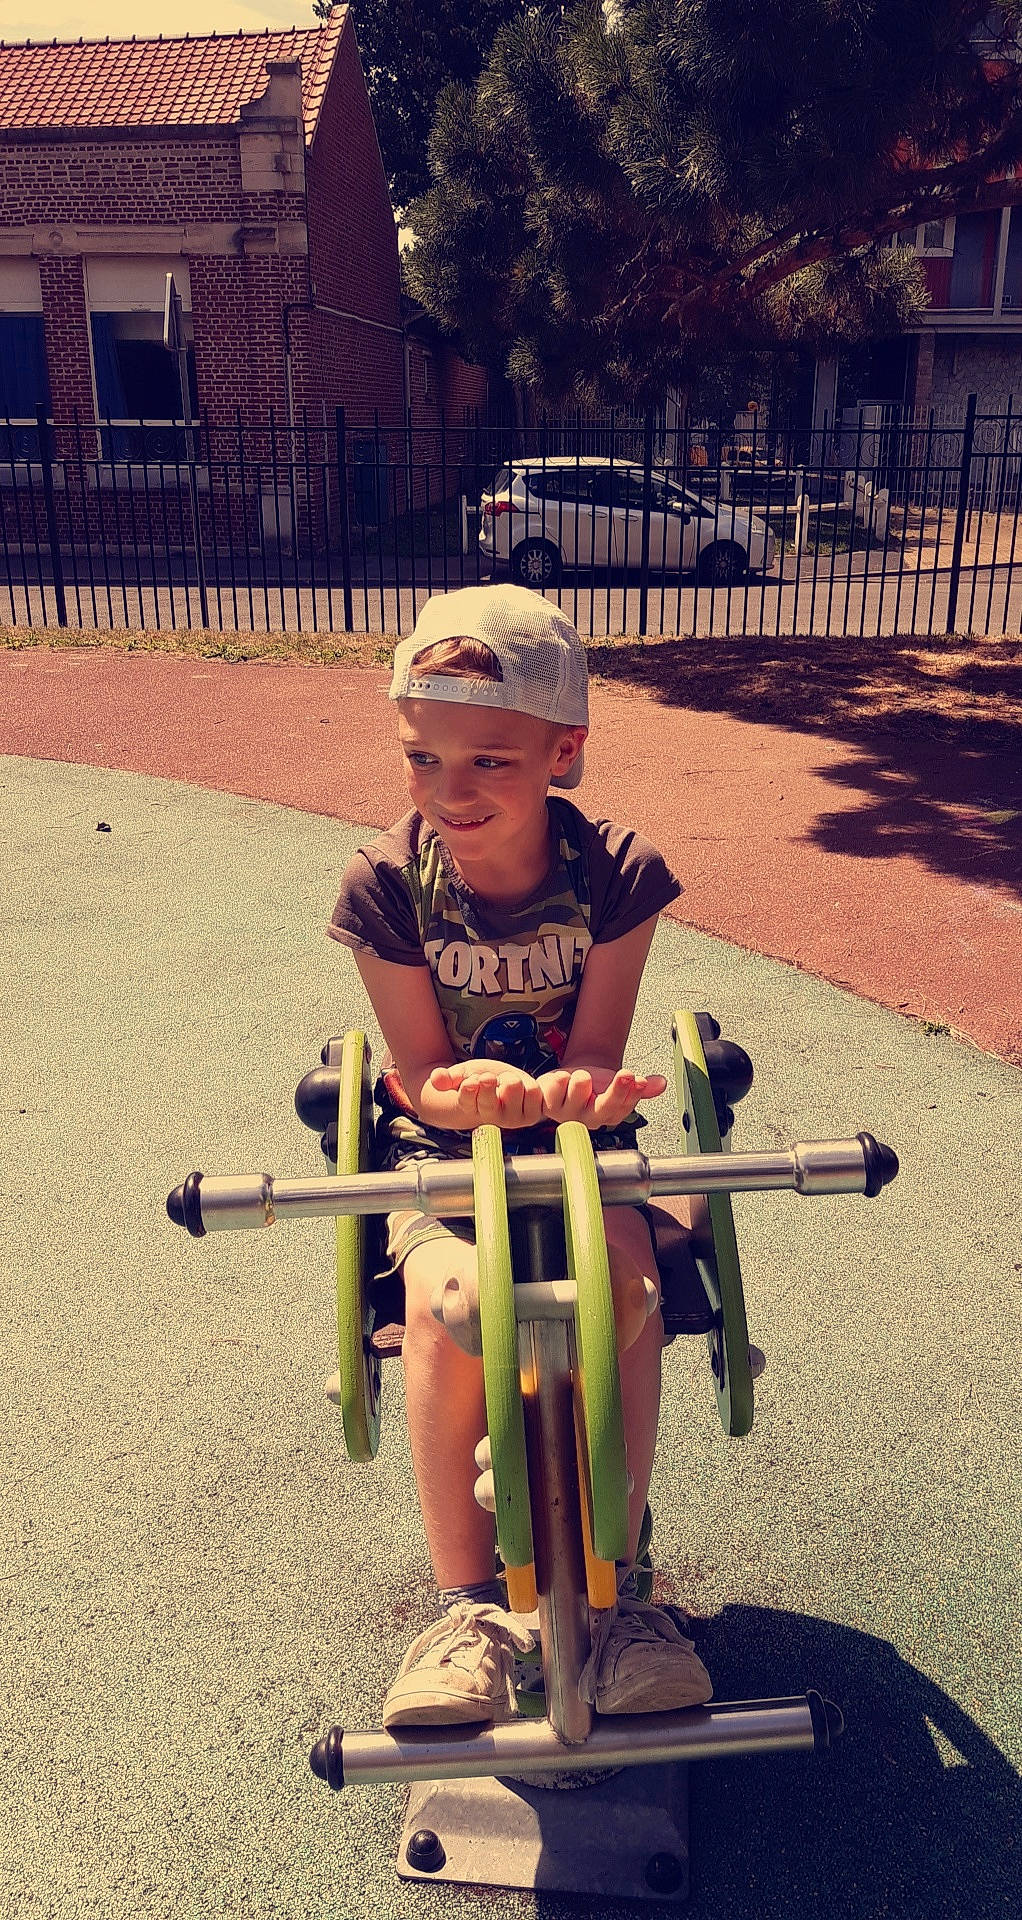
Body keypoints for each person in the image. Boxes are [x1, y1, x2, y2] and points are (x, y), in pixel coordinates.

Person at [328, 583, 712, 1730]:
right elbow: (413, 1070)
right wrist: (469, 1091)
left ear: (564, 753)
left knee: (623, 1289)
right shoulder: (385, 886)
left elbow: (594, 1047)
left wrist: (586, 1086)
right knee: (455, 1302)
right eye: (421, 757)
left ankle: (625, 1597)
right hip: (441, 1145)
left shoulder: (615, 876)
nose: (450, 792)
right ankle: (469, 1613)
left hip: (577, 1142)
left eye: (490, 761)